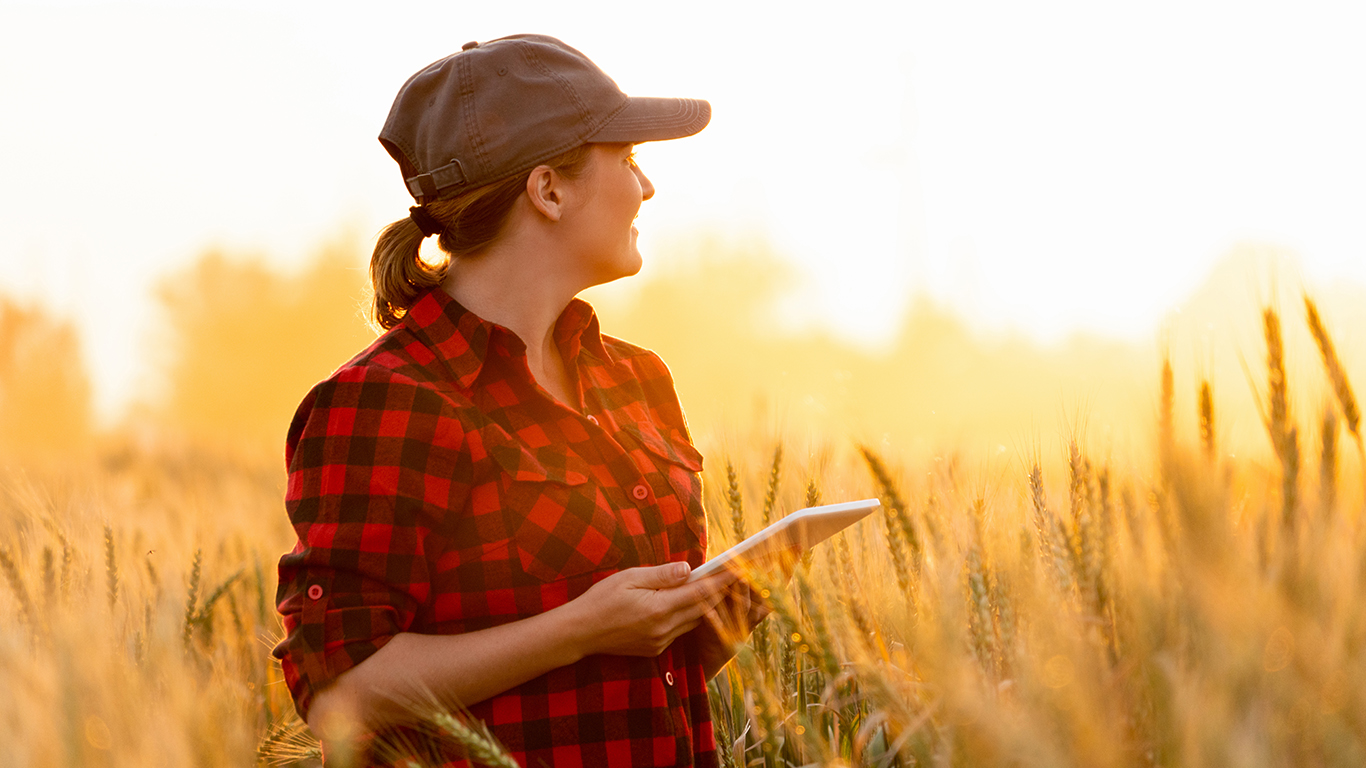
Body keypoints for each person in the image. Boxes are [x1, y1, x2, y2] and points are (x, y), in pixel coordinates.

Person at [272, 34, 764, 768]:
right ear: (549, 190)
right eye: (627, 159)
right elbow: (343, 696)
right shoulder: (386, 403)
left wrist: (701, 618)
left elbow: (632, 678)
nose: (648, 187)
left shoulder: (637, 380)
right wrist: (581, 628)